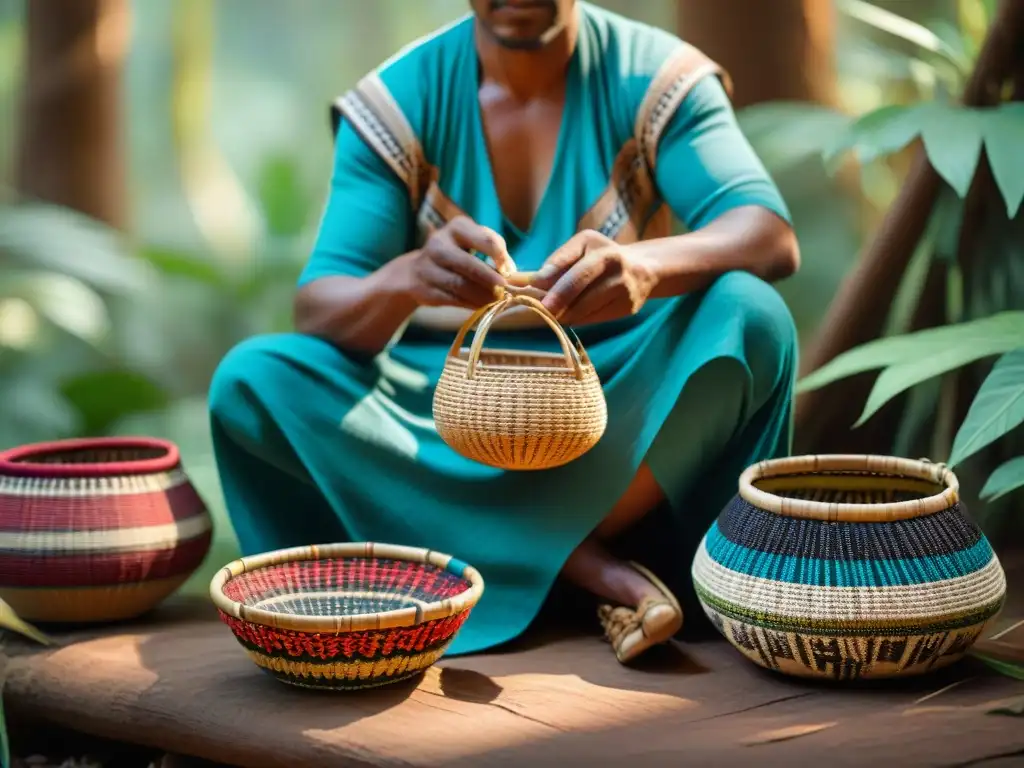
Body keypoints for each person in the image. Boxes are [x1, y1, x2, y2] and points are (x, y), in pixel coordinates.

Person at [208, 0, 800, 665]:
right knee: (253, 382)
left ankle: (491, 553)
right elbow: (321, 309)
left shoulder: (656, 80)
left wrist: (643, 265)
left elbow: (766, 232)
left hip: (617, 397)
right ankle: (585, 565)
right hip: (441, 416)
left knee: (752, 316)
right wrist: (406, 277)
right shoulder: (399, 103)